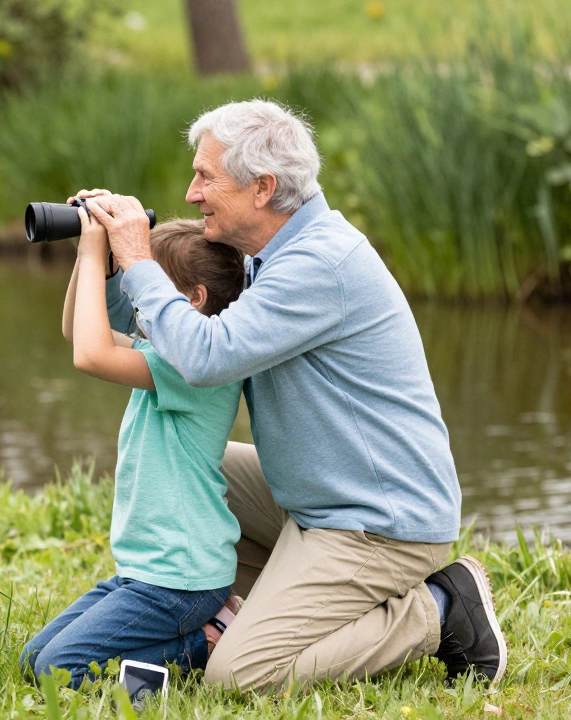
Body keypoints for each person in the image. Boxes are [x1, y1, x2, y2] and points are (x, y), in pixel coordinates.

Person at [78, 99, 506, 692]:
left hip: (376, 522)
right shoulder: (264, 259)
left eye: (206, 176)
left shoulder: (319, 265)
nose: (191, 191)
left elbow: (205, 356)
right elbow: (161, 332)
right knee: (188, 468)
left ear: (263, 188)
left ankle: (437, 609)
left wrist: (137, 256)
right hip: (313, 502)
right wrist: (102, 258)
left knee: (240, 675)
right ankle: (236, 599)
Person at [19, 216, 248, 688]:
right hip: (146, 574)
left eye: (144, 281)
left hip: (179, 580)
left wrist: (89, 250)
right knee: (33, 658)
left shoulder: (195, 369)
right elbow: (75, 333)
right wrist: (97, 258)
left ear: (192, 300)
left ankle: (208, 639)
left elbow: (91, 355)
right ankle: (203, 628)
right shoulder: (161, 349)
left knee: (56, 672)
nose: (133, 292)